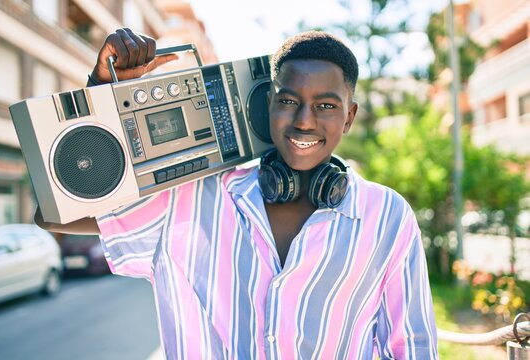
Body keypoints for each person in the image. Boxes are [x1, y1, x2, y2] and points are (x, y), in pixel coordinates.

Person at [37, 27, 438, 359]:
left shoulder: (387, 216)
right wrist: (101, 94)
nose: (304, 121)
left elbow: (413, 347)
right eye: (288, 101)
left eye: (326, 106)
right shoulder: (188, 198)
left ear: (349, 116)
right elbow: (54, 211)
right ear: (267, 105)